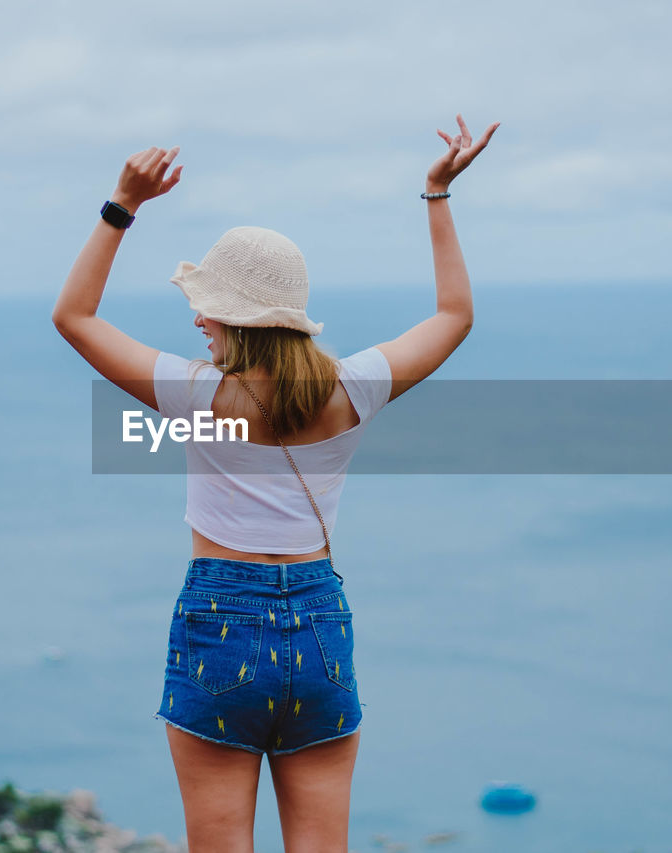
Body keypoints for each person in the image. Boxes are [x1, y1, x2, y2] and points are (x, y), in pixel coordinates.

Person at [51, 113, 499, 853]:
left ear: (236, 318)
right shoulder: (355, 389)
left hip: (219, 619)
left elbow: (74, 315)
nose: (196, 318)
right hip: (319, 623)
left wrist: (120, 205)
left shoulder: (195, 397)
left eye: (208, 306)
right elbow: (456, 314)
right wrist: (436, 193)